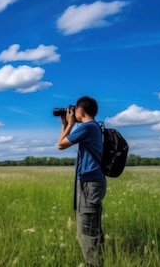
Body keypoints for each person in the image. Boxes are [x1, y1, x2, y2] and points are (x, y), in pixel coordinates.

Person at [57, 96, 106, 266]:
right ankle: (99, 261)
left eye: (74, 110)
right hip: (91, 183)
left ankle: (94, 264)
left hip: (89, 184)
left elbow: (60, 145)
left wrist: (69, 124)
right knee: (93, 227)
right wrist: (65, 124)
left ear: (81, 111)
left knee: (86, 231)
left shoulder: (88, 127)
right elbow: (62, 143)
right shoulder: (95, 127)